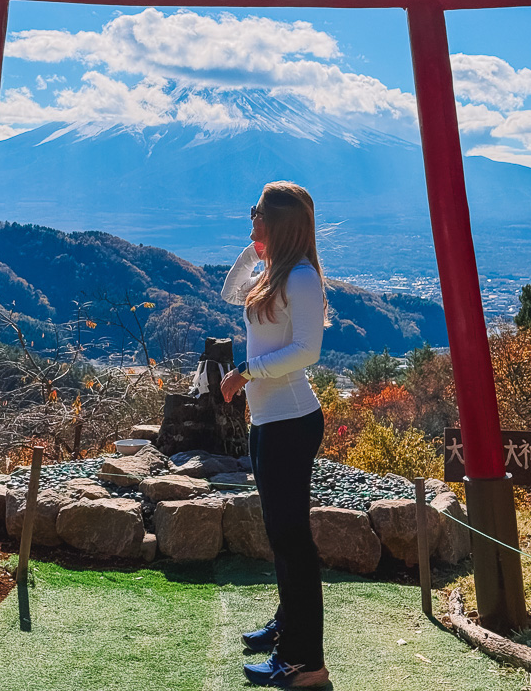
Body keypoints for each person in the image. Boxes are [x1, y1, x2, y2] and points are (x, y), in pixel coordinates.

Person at [220, 181, 330, 689]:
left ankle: (306, 662)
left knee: (293, 542)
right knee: (280, 535)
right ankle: (289, 626)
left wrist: (247, 371)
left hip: (290, 421)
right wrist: (258, 245)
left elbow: (308, 352)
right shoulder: (276, 272)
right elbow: (229, 291)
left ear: (280, 223)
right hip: (268, 423)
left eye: (258, 216)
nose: (251, 222)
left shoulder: (302, 279)